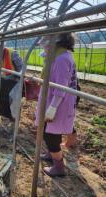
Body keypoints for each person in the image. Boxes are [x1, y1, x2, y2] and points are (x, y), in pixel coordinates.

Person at [35, 33, 78, 177]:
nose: (45, 47)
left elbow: (60, 87)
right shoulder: (60, 56)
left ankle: (59, 167)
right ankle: (51, 153)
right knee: (52, 130)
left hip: (59, 103)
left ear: (55, 43)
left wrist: (52, 108)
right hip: (55, 100)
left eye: (46, 43)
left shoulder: (61, 59)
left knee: (50, 134)